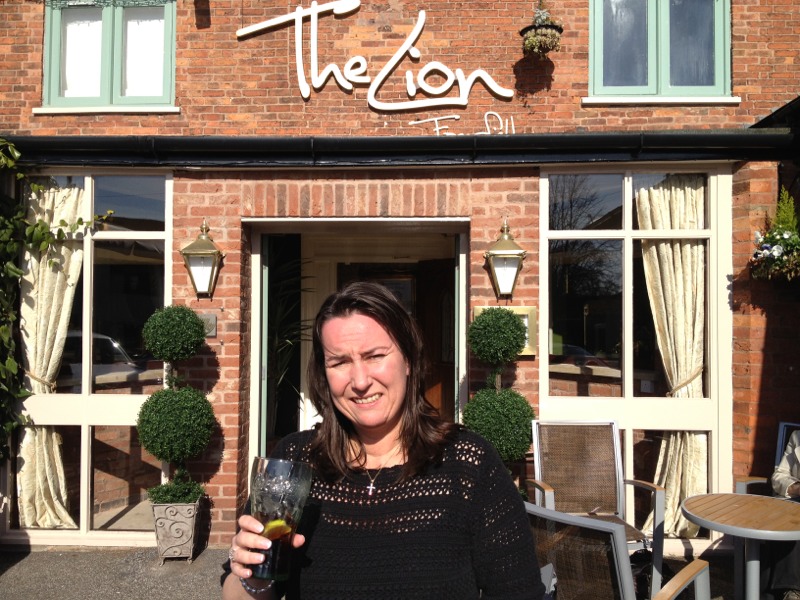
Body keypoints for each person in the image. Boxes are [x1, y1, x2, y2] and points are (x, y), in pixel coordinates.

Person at [222, 281, 546, 599]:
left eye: (375, 356)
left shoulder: (468, 464)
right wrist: (251, 577)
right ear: (324, 373)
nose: (360, 381)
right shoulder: (296, 460)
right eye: (340, 362)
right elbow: (242, 588)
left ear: (409, 360)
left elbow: (519, 591)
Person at [763, 429, 800, 600]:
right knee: (780, 521)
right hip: (796, 502)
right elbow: (779, 476)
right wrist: (796, 488)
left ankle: (789, 590)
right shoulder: (797, 437)